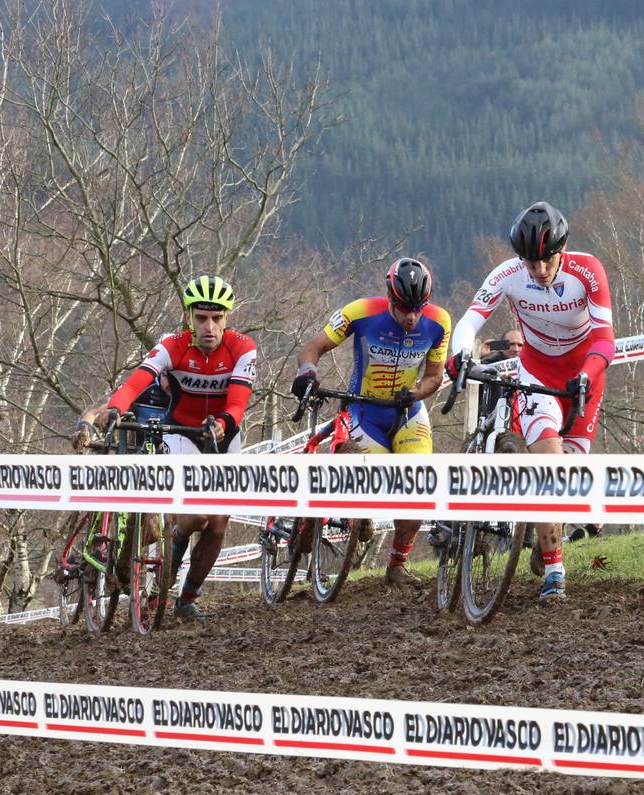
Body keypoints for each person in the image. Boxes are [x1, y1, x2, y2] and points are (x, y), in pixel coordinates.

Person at [447, 201, 614, 602]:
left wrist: (585, 376)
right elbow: (471, 320)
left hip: (583, 376)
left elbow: (606, 340)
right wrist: (459, 355)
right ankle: (555, 571)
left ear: (563, 250)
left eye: (547, 260)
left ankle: (545, 542)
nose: (539, 270)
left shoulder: (588, 271)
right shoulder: (507, 275)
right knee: (547, 463)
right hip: (537, 374)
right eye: (530, 262)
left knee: (567, 481)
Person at [73, 274, 255, 622]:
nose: (209, 326)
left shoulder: (242, 347)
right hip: (182, 433)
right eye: (201, 317)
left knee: (217, 524)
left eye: (217, 318)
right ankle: (167, 558)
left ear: (227, 318)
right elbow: (136, 381)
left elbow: (238, 404)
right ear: (188, 316)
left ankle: (187, 599)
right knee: (196, 515)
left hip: (223, 435)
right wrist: (116, 406)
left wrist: (222, 424)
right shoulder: (172, 344)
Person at [291, 257, 450, 588]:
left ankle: (397, 564)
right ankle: (358, 511)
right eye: (404, 307)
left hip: (408, 411)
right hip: (363, 411)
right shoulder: (361, 311)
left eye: (418, 308)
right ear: (390, 298)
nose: (411, 316)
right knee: (372, 480)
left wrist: (417, 391)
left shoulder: (439, 322)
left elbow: (435, 376)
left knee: (417, 484)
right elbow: (314, 347)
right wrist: (308, 371)